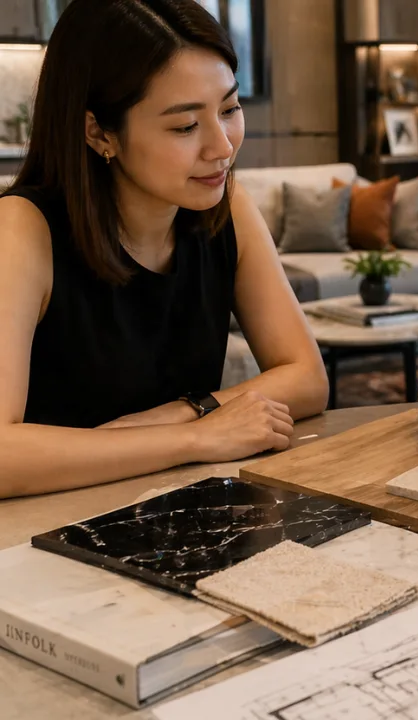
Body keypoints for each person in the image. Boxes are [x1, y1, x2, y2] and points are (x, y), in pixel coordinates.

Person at [0, 0, 329, 499]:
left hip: (174, 510)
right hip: (43, 532)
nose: (221, 147)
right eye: (184, 126)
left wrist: (183, 412)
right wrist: (196, 436)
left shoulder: (226, 209)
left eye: (229, 109)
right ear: (99, 132)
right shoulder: (23, 229)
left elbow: (307, 379)